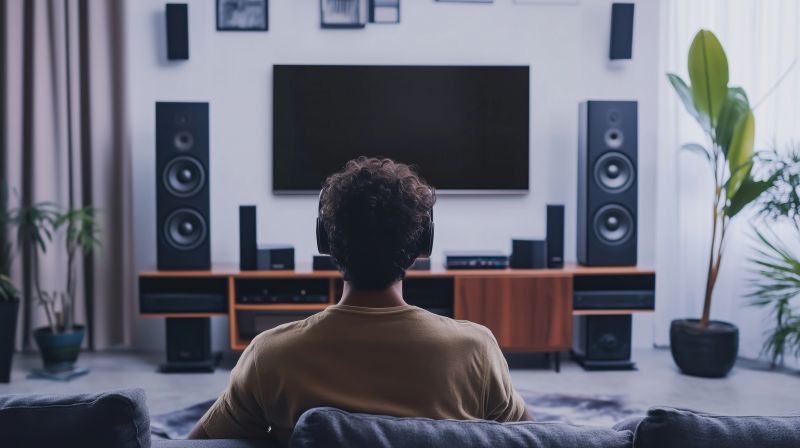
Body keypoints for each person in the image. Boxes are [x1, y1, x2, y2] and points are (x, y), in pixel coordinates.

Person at [189, 157, 530, 444]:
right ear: (422, 245)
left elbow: (198, 445)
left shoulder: (270, 355)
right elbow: (537, 437)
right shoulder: (476, 349)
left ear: (326, 241)